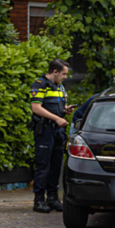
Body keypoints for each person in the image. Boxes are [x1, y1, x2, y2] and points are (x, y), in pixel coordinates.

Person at [29, 59, 74, 213]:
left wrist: (65, 109)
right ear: (55, 72)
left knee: (56, 165)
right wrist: (56, 118)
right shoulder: (39, 84)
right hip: (45, 130)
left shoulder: (59, 86)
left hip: (58, 131)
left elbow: (55, 107)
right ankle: (39, 200)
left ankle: (53, 198)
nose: (66, 77)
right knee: (43, 165)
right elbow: (36, 108)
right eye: (64, 74)